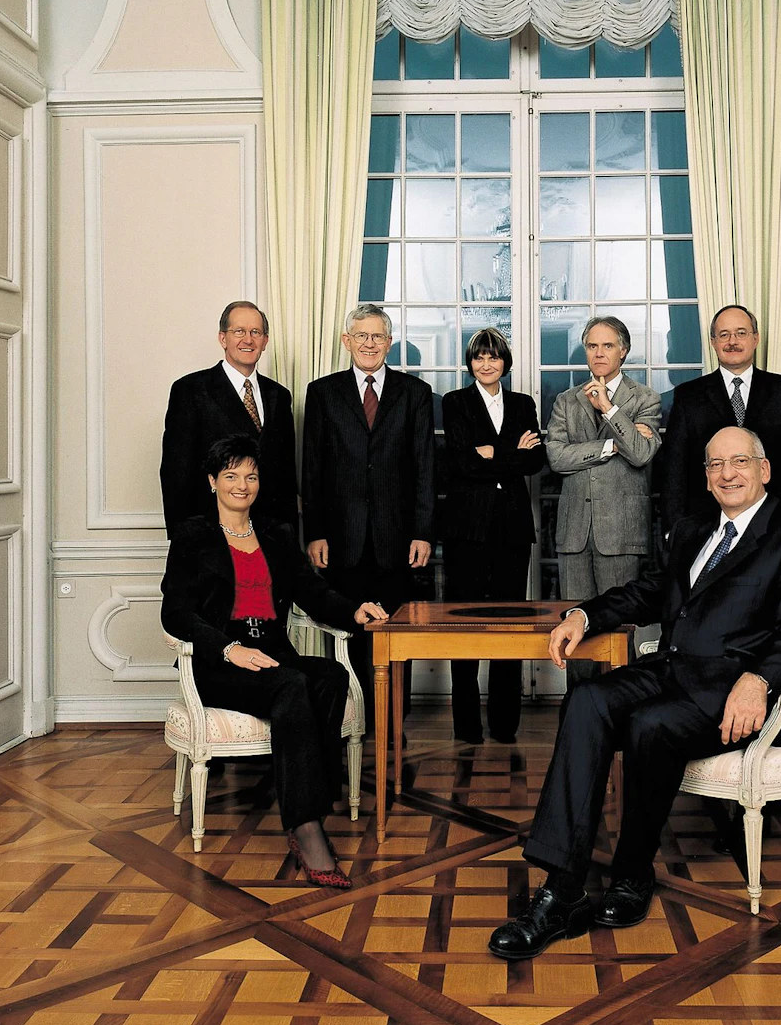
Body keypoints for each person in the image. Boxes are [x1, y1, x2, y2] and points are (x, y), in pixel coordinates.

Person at [488, 425, 781, 961]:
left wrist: (759, 680)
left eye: (739, 462)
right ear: (706, 477)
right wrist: (583, 615)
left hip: (733, 690)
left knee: (652, 724)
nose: (727, 474)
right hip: (670, 669)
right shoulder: (693, 528)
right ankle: (562, 890)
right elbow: (647, 591)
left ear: (764, 470)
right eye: (715, 465)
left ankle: (632, 873)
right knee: (587, 700)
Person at [160, 434, 388, 887]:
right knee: (292, 684)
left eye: (251, 476)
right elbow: (176, 612)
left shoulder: (276, 534)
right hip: (220, 663)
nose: (242, 485)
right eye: (231, 476)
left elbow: (312, 592)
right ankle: (305, 828)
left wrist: (353, 611)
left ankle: (312, 801)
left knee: (331, 675)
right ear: (212, 482)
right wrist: (230, 649)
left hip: (272, 653)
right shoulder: (192, 536)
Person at [302, 303, 436, 717]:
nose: (369, 343)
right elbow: (312, 469)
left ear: (389, 342)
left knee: (395, 635)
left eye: (377, 336)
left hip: (398, 539)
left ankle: (392, 726)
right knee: (350, 635)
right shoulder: (322, 393)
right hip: (341, 538)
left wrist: (423, 531)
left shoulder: (415, 394)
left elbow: (424, 468)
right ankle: (353, 722)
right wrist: (315, 532)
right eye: (361, 335)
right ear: (347, 341)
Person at [440, 328, 546, 744]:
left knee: (510, 625)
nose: (486, 364)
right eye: (478, 358)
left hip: (512, 530)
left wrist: (491, 453)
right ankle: (467, 725)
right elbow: (461, 464)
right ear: (470, 364)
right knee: (463, 624)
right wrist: (512, 453)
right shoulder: (455, 402)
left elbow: (535, 462)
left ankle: (504, 723)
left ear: (505, 362)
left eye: (494, 357)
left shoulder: (523, 404)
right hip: (466, 530)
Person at [546, 316, 662, 688]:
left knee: (618, 629)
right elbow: (557, 458)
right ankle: (578, 708)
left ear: (623, 351)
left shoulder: (645, 398)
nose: (599, 353)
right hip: (575, 533)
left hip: (622, 532)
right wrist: (613, 445)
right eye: (592, 346)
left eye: (607, 345)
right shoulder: (566, 401)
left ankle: (620, 708)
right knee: (574, 628)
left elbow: (641, 453)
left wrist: (610, 409)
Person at [660, 304, 781, 533]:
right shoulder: (688, 396)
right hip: (707, 524)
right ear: (713, 342)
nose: (732, 341)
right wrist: (674, 531)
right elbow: (674, 471)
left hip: (777, 524)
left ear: (755, 338)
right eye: (724, 335)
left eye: (741, 333)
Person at [160, 301, 298, 539]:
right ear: (223, 338)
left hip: (271, 533)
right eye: (239, 331)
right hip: (210, 532)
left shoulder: (279, 395)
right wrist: (184, 536)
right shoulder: (191, 390)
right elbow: (176, 471)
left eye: (256, 332)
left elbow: (286, 473)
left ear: (265, 341)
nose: (248, 340)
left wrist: (290, 535)